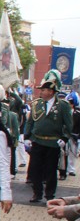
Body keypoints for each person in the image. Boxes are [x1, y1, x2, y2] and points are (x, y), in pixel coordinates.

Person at [24, 69, 72, 203]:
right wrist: (27, 137)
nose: (41, 92)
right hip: (37, 141)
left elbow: (69, 125)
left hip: (53, 143)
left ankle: (50, 195)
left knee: (51, 170)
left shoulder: (62, 106)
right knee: (35, 168)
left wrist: (64, 138)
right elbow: (30, 122)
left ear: (51, 91)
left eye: (44, 90)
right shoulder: (37, 104)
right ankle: (37, 193)